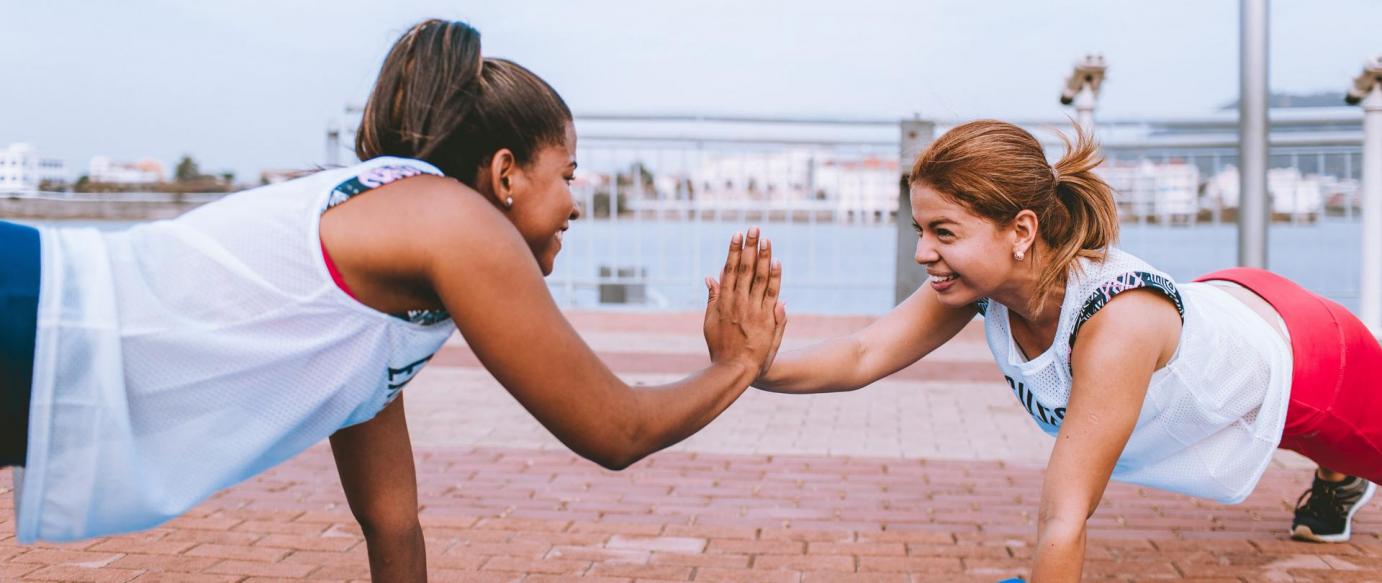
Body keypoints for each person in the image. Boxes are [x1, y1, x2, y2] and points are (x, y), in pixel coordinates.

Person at [0, 19, 786, 582]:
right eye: (568, 175)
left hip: (38, 337)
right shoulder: (453, 221)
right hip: (37, 312)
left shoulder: (391, 289)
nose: (576, 204)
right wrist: (738, 363)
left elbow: (392, 521)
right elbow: (615, 430)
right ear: (507, 174)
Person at [750, 120, 1379, 581]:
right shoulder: (979, 284)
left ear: (1022, 231)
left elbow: (1064, 517)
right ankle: (1336, 472)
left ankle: (1338, 473)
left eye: (944, 232)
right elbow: (862, 355)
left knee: (1328, 437)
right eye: (921, 229)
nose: (922, 252)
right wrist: (748, 364)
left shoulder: (1117, 325)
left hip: (1309, 358)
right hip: (1226, 306)